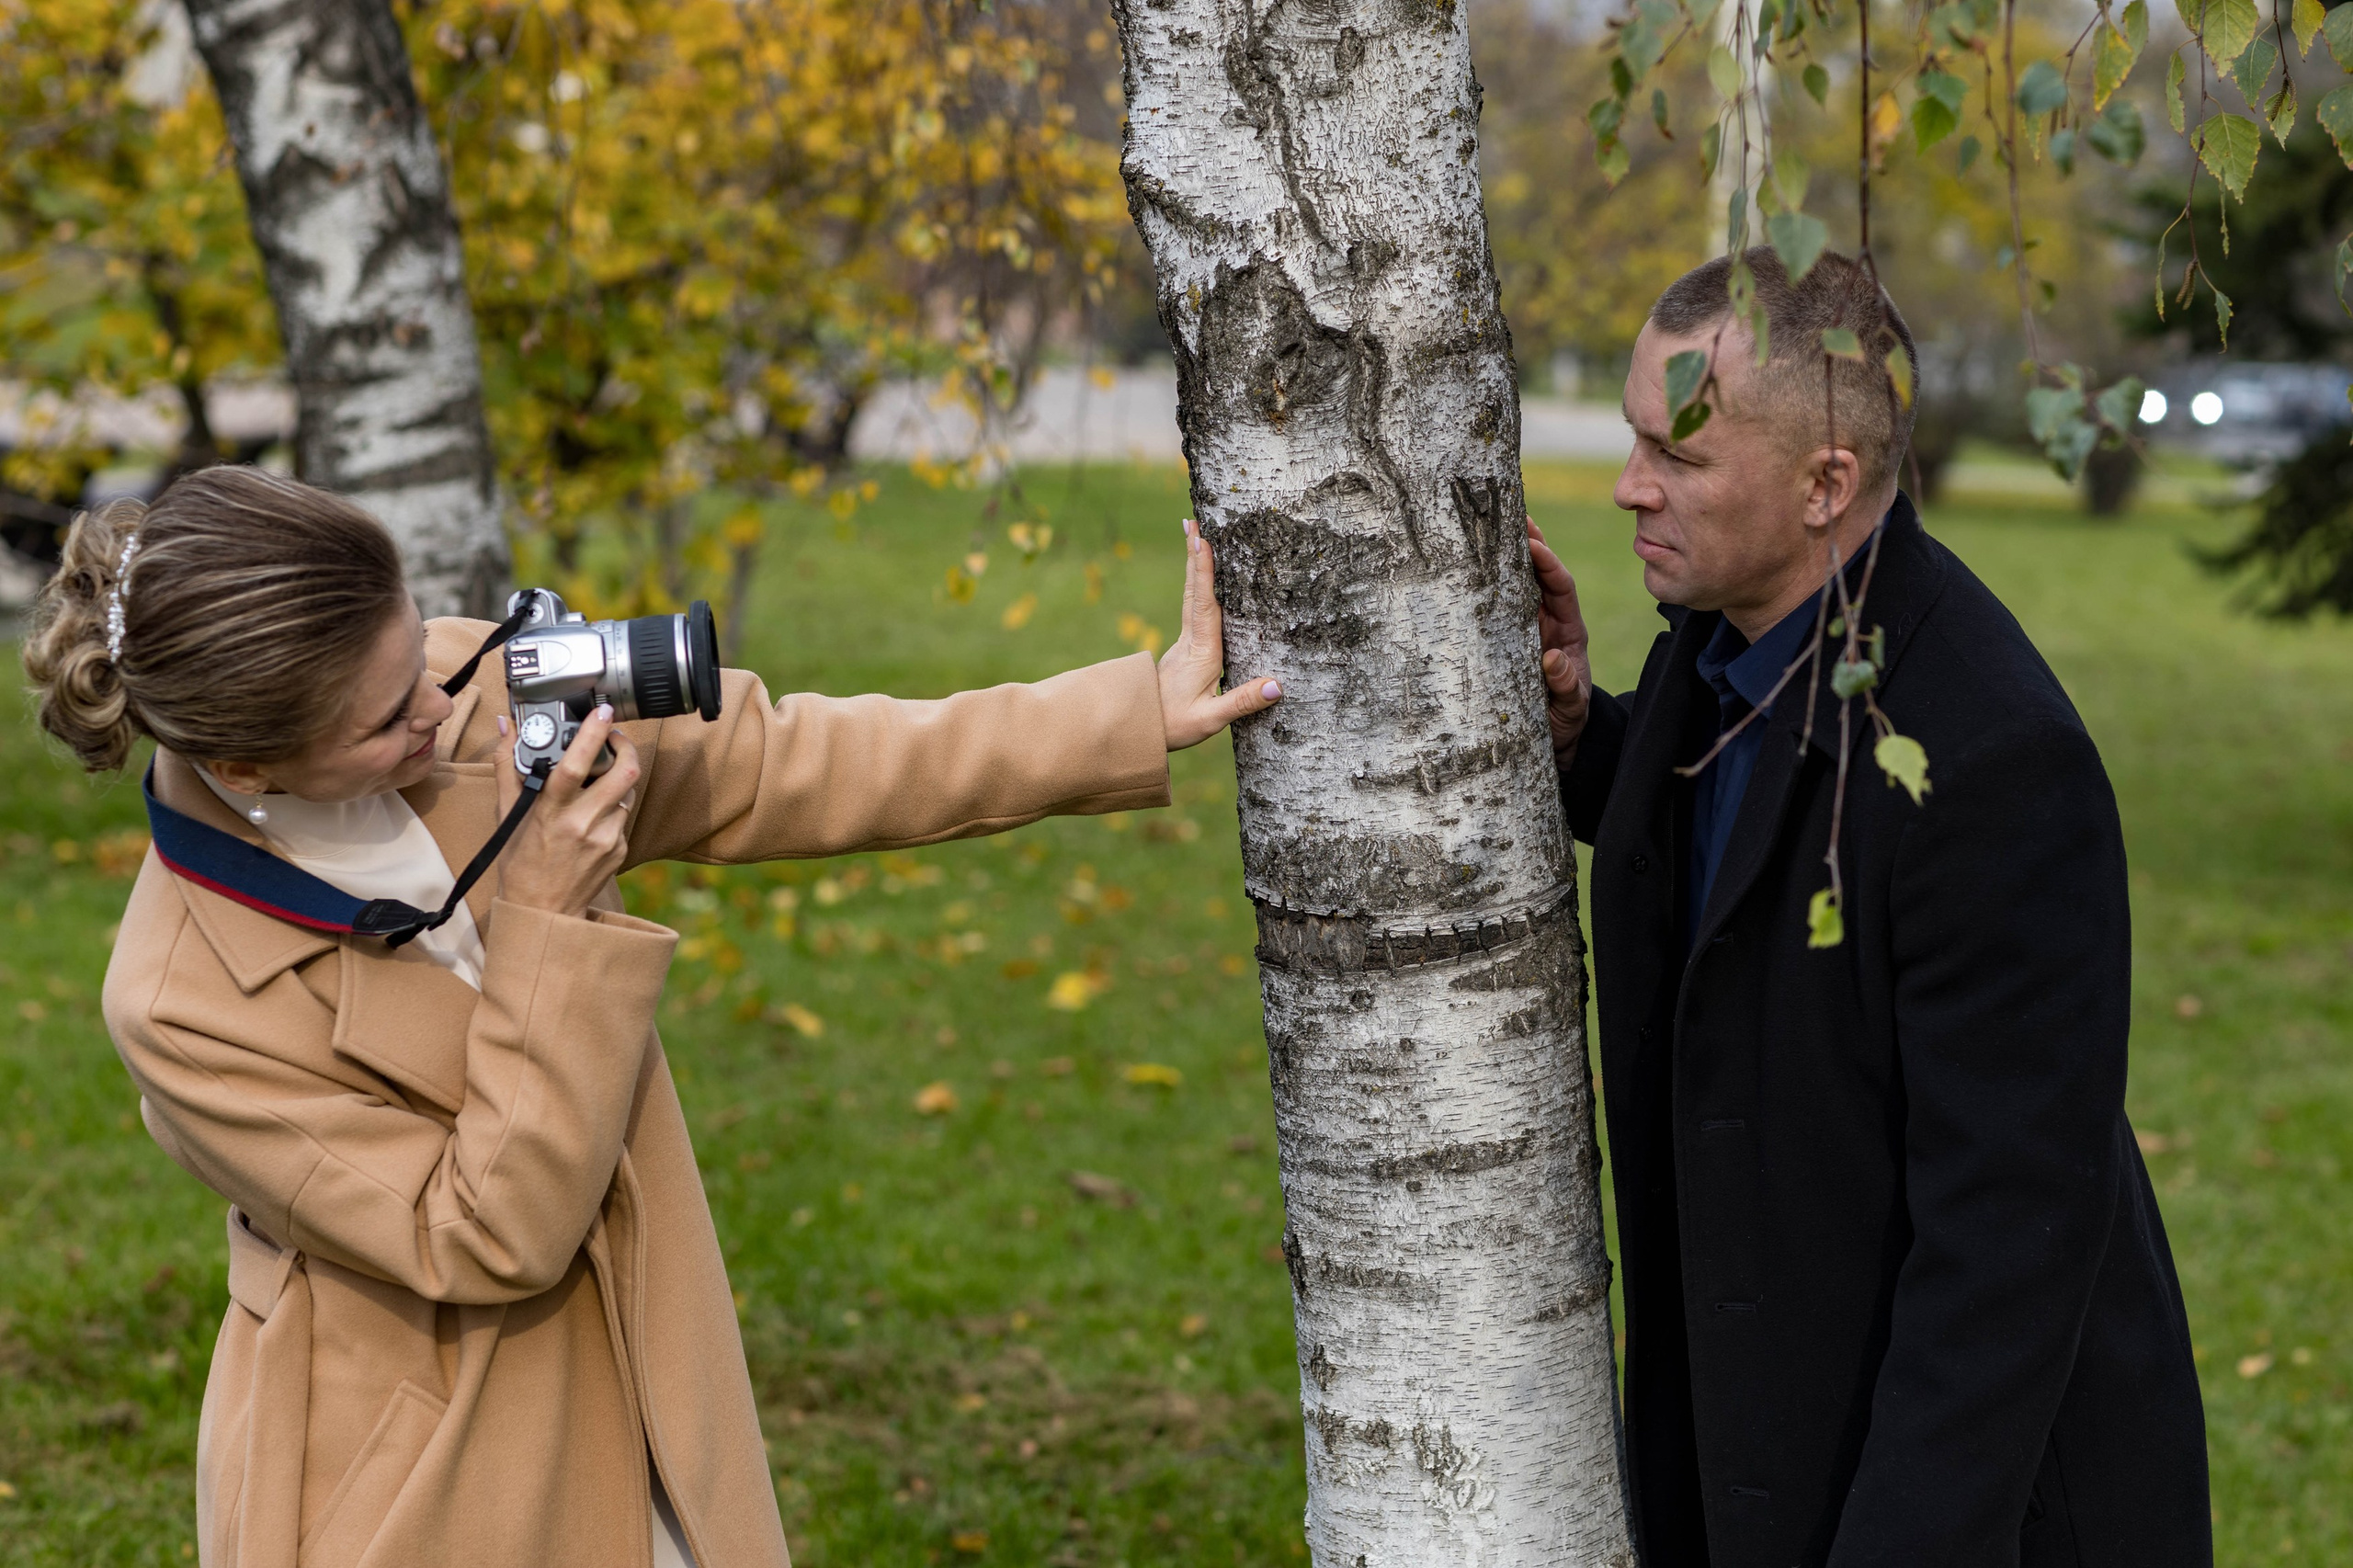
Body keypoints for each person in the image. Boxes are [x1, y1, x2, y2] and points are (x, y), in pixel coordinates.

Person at [21, 464, 1279, 1568]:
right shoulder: (178, 1003)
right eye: (387, 717)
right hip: (417, 1458)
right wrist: (551, 918)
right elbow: (482, 1233)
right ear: (247, 768)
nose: (441, 712)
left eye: (423, 661)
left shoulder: (457, 686)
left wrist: (1120, 719)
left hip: (643, 1347)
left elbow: (785, 763)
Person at [1526, 248, 2209, 1566]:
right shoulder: (1731, 634)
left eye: (1678, 455)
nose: (1628, 486)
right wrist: (1582, 741)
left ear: (1825, 483)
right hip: (1768, 1427)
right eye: (1631, 438)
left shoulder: (1994, 759)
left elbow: (2003, 1266)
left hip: (1964, 1502)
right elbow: (1758, 863)